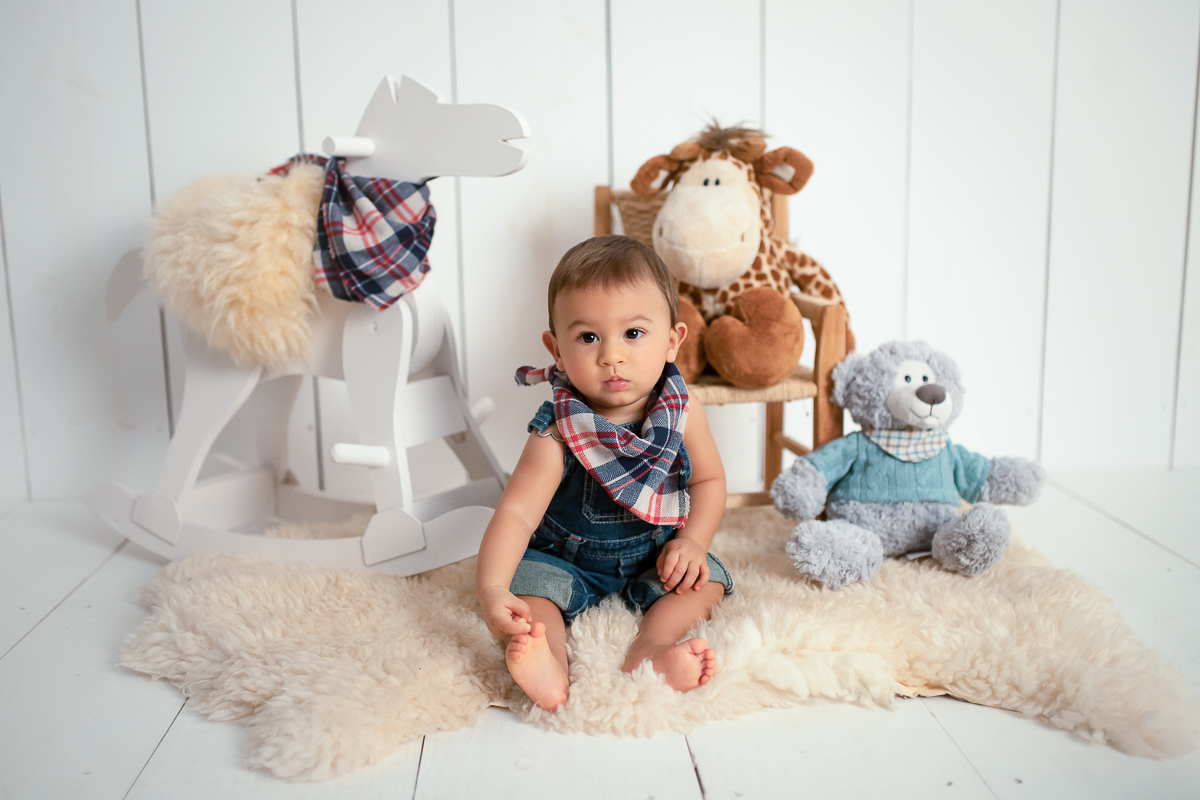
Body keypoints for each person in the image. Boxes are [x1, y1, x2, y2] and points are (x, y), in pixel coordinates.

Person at [475, 235, 732, 711]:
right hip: (566, 561)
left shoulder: (682, 411)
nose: (611, 355)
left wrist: (692, 543)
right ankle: (546, 659)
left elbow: (709, 482)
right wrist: (492, 590)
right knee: (532, 591)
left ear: (672, 340)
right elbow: (515, 514)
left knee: (707, 581)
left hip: (654, 556)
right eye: (588, 337)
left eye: (633, 333)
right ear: (556, 348)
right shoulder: (558, 428)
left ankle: (651, 649)